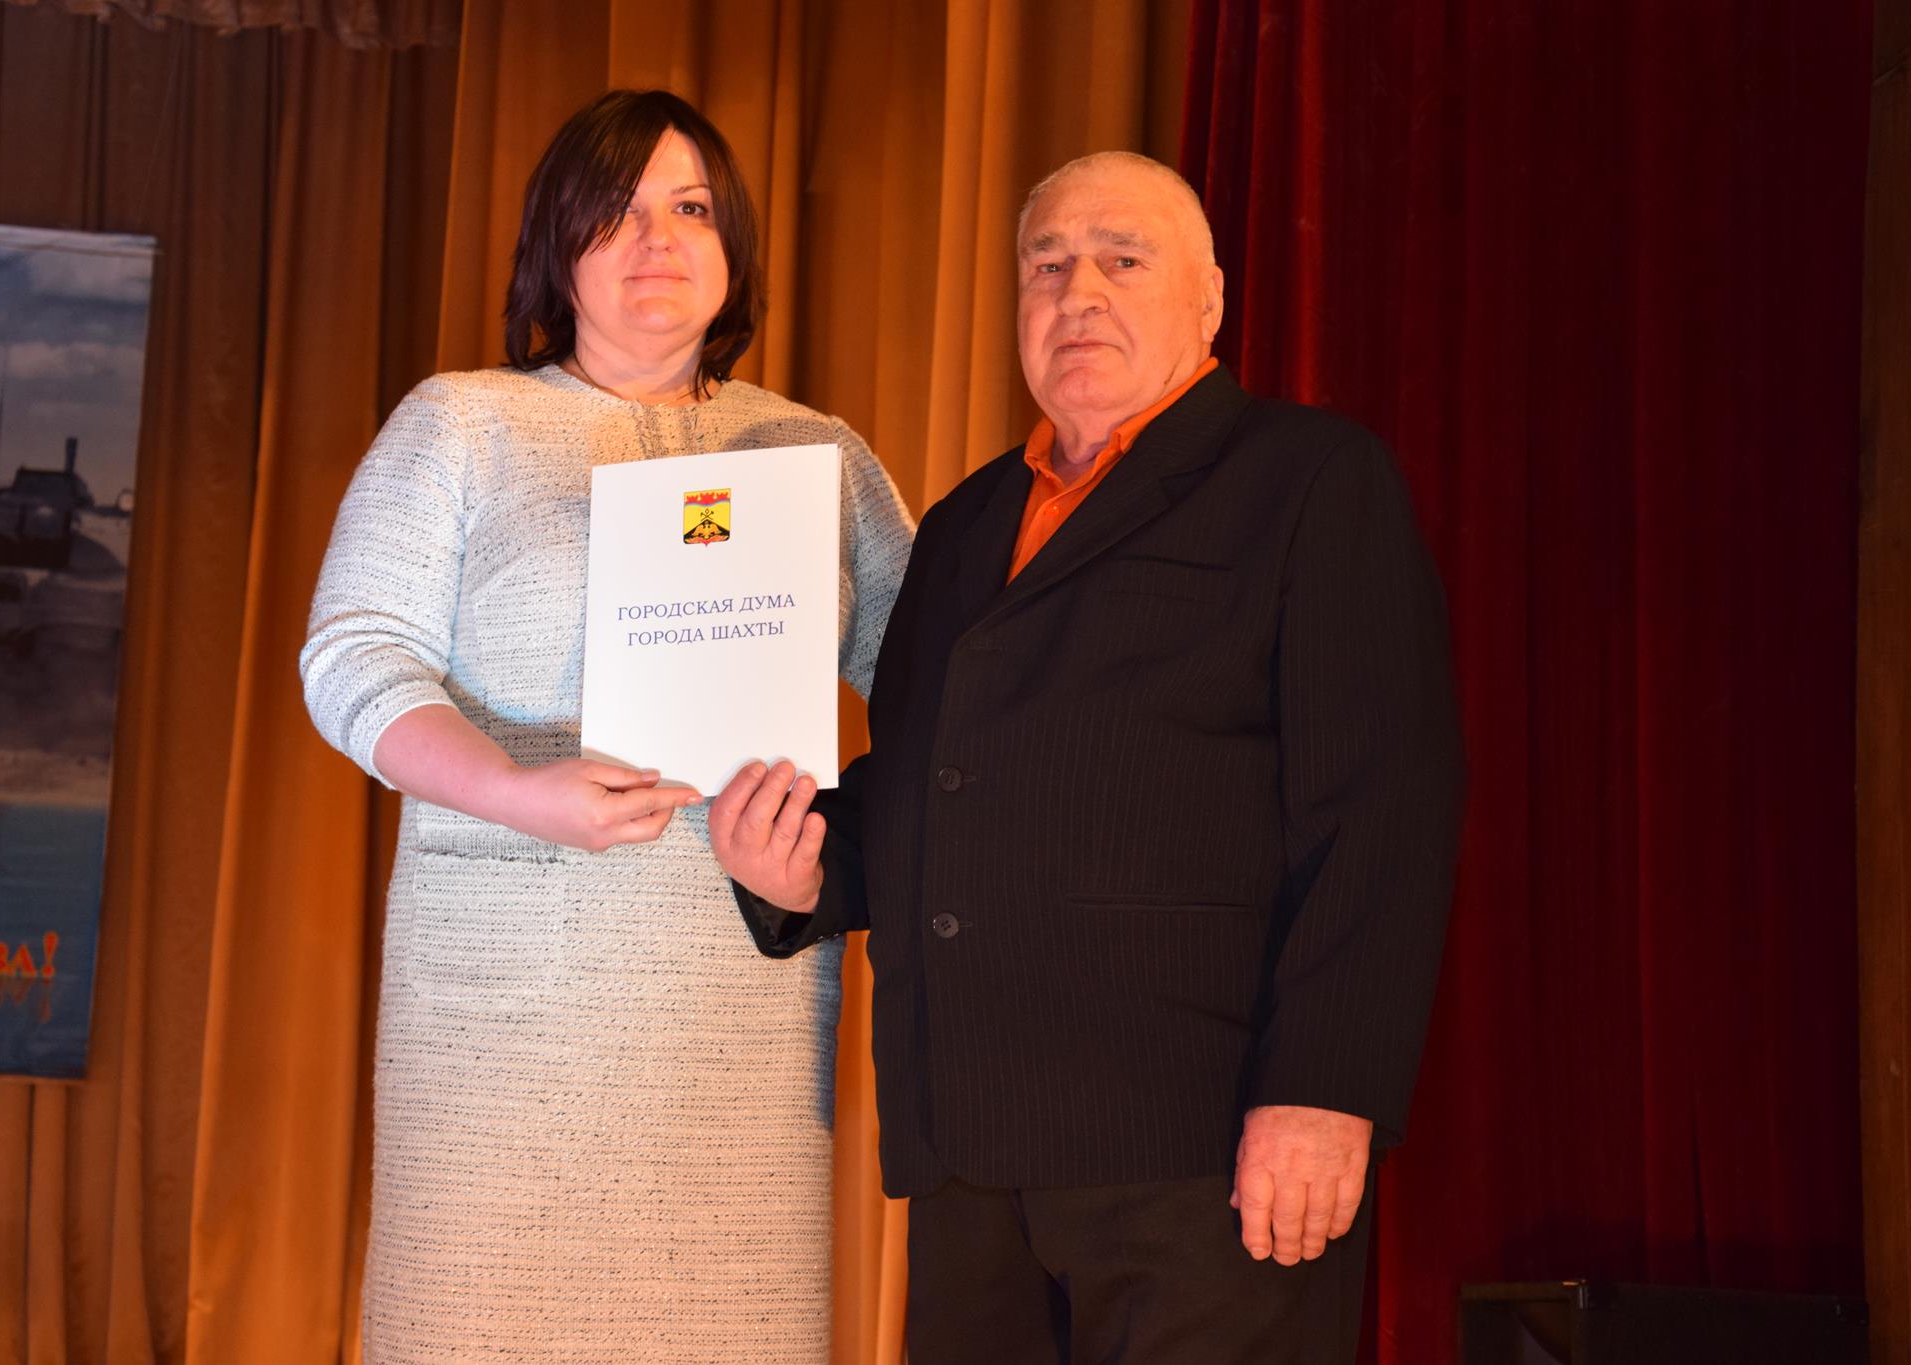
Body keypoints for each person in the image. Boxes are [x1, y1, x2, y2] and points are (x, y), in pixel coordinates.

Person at [710, 150, 1464, 1364]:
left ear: (1208, 303)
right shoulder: (960, 525)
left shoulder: (1309, 480)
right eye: (1047, 266)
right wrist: (801, 874)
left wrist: (1326, 1090)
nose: (1080, 294)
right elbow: (926, 789)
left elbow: (1379, 811)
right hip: (969, 1157)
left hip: (1201, 1152)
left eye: (1122, 260)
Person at [300, 89, 912, 1363]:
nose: (657, 240)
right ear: (556, 245)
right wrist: (516, 790)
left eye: (689, 208)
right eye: (618, 211)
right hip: (499, 1029)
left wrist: (824, 869)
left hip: (733, 1039)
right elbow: (353, 659)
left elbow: (945, 705)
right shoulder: (460, 423)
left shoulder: (816, 458)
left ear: (732, 245)